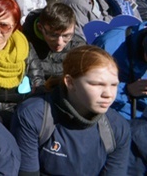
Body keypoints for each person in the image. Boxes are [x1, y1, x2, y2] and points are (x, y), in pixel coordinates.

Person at [11, 46, 131, 174]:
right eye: (97, 84)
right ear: (70, 82)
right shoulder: (34, 115)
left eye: (114, 85)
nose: (108, 94)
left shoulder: (118, 127)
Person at [22, 3, 85, 80]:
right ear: (40, 27)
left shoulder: (78, 46)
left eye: (66, 36)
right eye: (53, 35)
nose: (59, 42)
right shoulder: (24, 42)